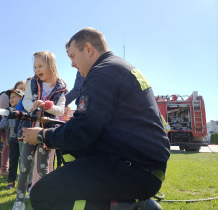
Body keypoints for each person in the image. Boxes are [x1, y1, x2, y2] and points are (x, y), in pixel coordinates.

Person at [18, 28, 170, 210]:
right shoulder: (119, 68)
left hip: (132, 169)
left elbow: (82, 131)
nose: (73, 64)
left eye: (73, 56)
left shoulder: (101, 73)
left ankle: (133, 207)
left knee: (42, 195)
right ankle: (130, 205)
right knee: (70, 158)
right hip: (144, 167)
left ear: (88, 49)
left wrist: (43, 135)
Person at [12, 51, 67, 210]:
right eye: (35, 66)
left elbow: (60, 110)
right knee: (25, 167)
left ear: (51, 66)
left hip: (47, 133)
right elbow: (27, 101)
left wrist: (47, 106)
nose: (36, 70)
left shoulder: (61, 87)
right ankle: (19, 201)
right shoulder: (32, 83)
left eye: (40, 66)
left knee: (43, 168)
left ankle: (48, 199)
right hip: (30, 129)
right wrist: (33, 106)